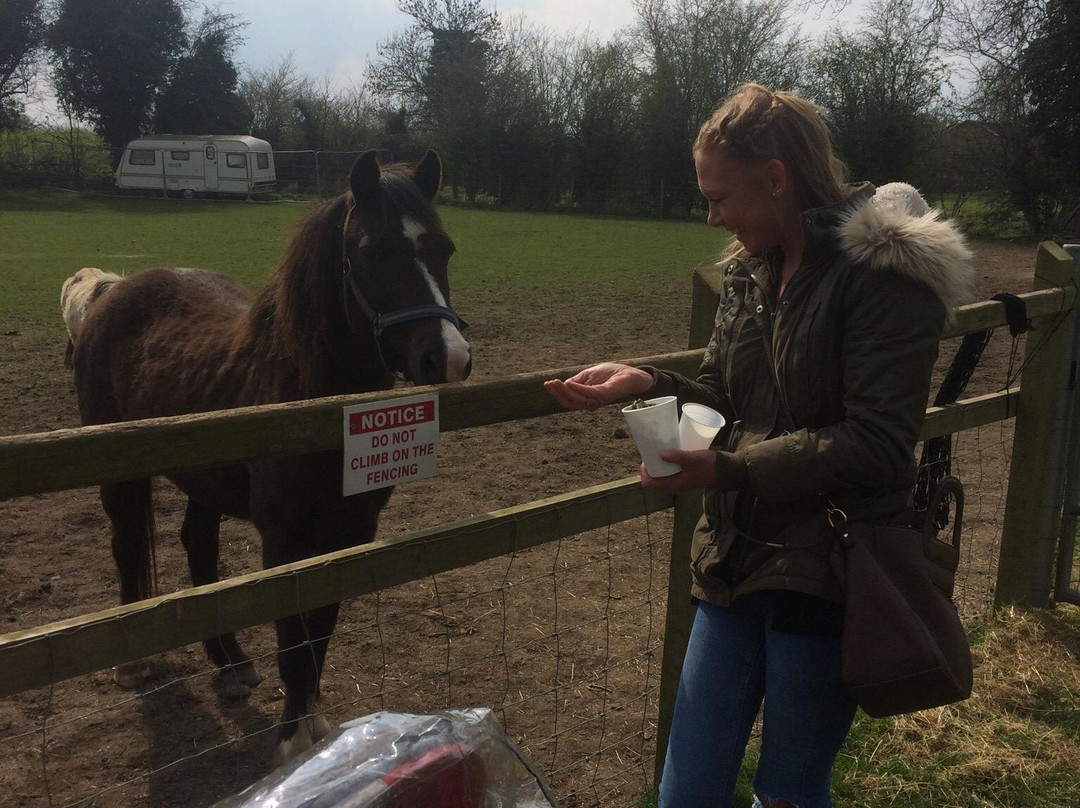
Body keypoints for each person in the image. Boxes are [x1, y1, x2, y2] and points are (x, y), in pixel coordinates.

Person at [545, 83, 974, 808]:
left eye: (720, 197)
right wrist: (648, 380)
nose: (711, 215)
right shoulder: (749, 273)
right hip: (734, 557)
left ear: (776, 178)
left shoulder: (885, 277)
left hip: (829, 567)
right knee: (687, 788)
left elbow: (876, 443)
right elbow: (722, 393)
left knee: (789, 790)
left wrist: (732, 467)